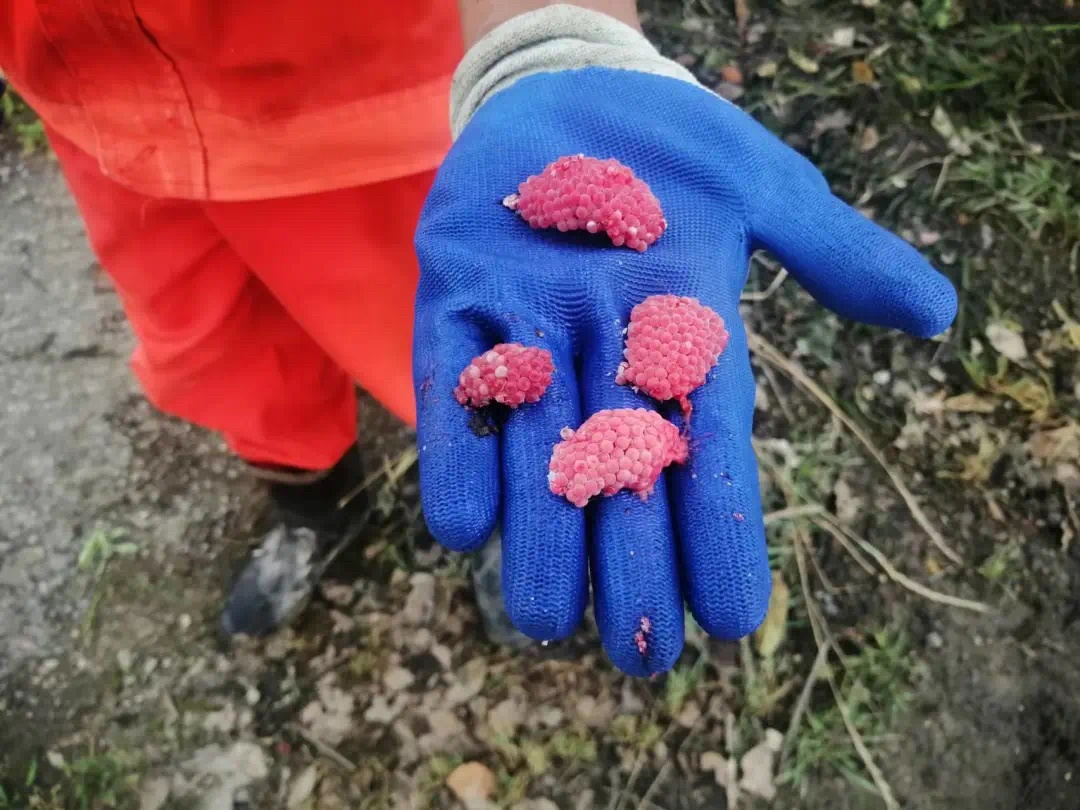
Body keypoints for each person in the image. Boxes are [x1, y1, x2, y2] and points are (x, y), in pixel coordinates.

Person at [0, 1, 956, 676]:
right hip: (92, 107)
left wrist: (548, 30)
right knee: (213, 349)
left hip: (356, 110)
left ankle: (509, 528)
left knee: (434, 362)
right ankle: (313, 509)